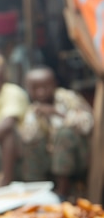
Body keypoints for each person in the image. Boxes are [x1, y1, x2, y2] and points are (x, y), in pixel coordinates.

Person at [19, 66, 93, 200]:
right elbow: (27, 137)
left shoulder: (68, 98)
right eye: (35, 88)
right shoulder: (33, 109)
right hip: (52, 161)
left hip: (79, 158)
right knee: (31, 145)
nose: (40, 93)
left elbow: (87, 125)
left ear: (54, 84)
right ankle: (36, 192)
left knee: (63, 134)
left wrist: (56, 113)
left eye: (45, 87)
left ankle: (62, 193)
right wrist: (38, 118)